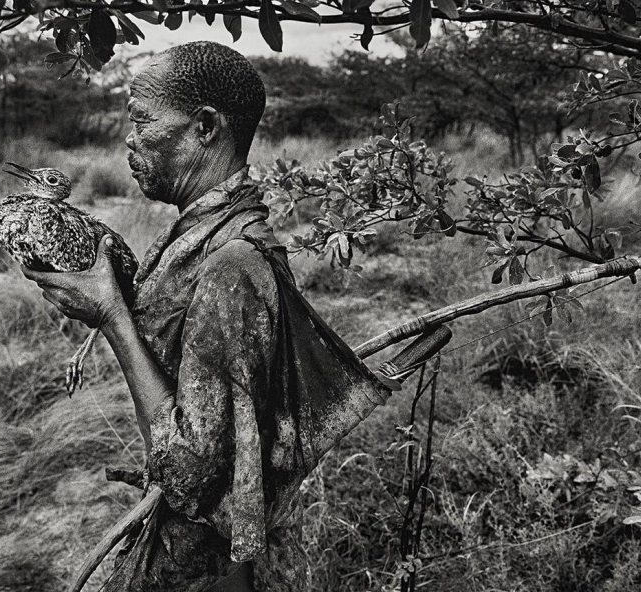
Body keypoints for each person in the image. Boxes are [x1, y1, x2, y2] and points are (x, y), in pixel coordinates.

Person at [21, 41, 390, 591]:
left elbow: (192, 472)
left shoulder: (232, 264)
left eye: (142, 120)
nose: (129, 137)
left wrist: (111, 316)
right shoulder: (201, 229)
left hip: (197, 558)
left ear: (205, 127)